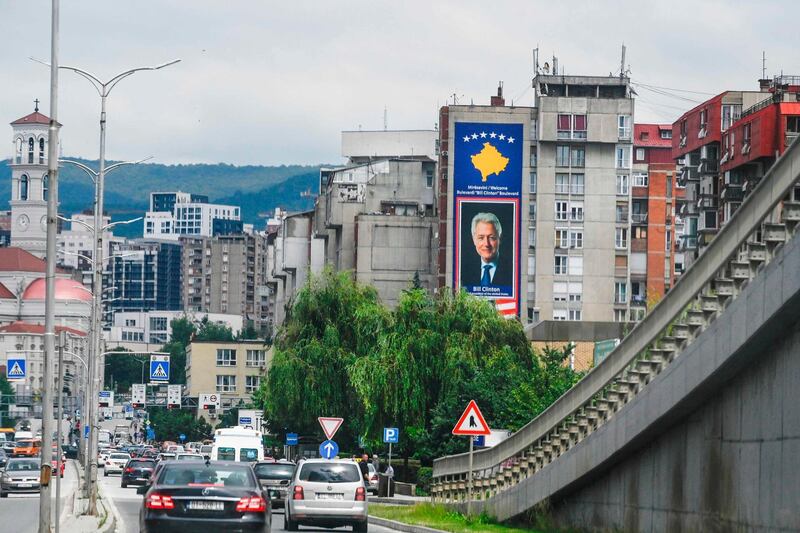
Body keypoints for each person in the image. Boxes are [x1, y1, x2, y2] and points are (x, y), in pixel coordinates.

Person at [461, 212, 512, 287]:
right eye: (481, 238)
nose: (486, 244)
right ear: (474, 240)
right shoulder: (464, 271)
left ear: (499, 239)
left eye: (491, 238)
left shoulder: (511, 270)